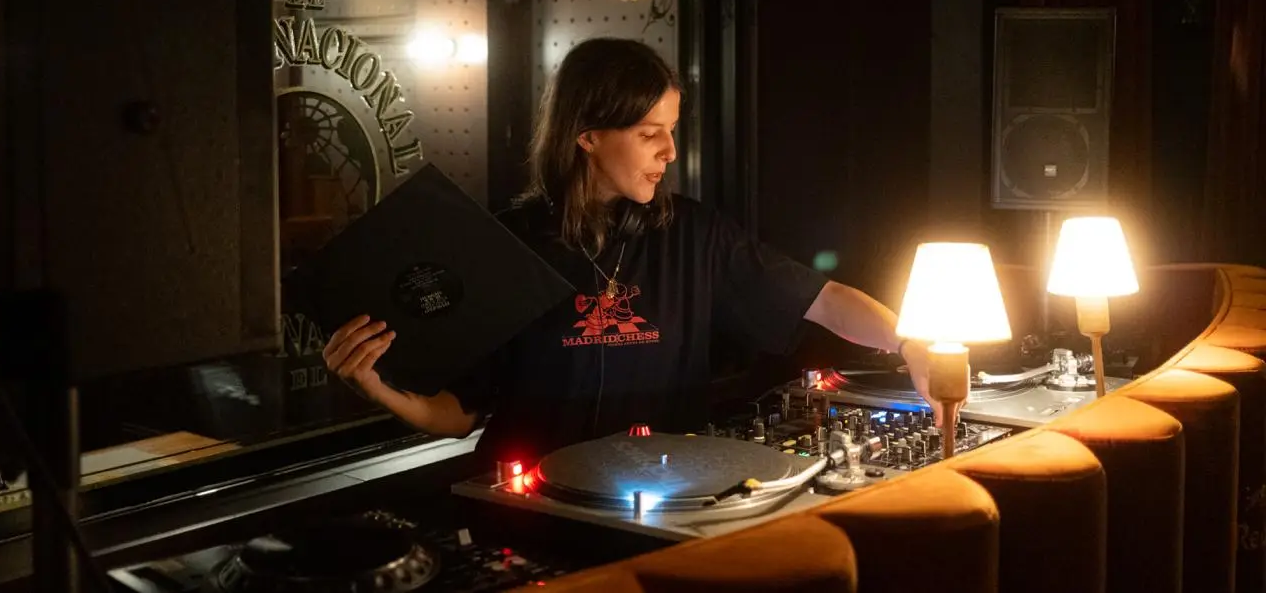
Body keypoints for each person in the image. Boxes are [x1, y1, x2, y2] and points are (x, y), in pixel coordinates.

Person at [323, 38, 939, 465]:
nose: (669, 152)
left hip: (668, 500)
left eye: (672, 131)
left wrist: (909, 342)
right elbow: (459, 413)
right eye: (649, 134)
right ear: (587, 136)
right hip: (534, 508)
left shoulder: (695, 233)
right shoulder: (506, 243)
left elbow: (825, 300)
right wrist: (377, 387)